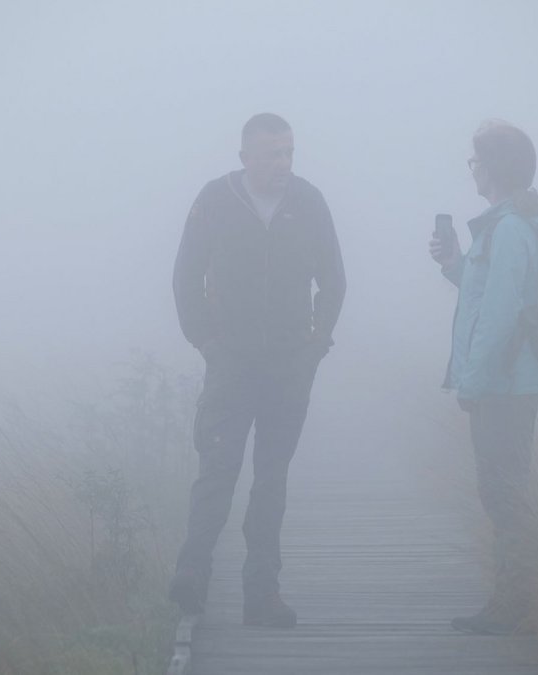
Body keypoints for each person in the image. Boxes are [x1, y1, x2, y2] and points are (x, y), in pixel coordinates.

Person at [169, 113, 346, 628]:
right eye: (272, 153)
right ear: (244, 155)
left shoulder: (309, 202)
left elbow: (333, 279)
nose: (283, 163)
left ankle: (262, 593)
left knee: (272, 480)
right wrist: (206, 342)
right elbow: (185, 277)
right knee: (217, 471)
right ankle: (191, 574)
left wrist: (315, 345)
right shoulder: (215, 200)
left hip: (289, 368)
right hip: (231, 366)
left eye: (289, 152)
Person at [429, 120, 538, 635]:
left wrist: (471, 383)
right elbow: (488, 293)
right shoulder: (513, 225)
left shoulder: (508, 229)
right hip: (513, 383)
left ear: (496, 167)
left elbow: (500, 315)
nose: (472, 169)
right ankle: (512, 599)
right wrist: (456, 262)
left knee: (503, 494)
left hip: (504, 386)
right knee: (504, 491)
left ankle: (512, 604)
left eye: (476, 160)